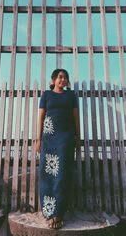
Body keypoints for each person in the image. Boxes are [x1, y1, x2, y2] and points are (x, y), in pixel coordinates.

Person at [36, 69, 80, 229]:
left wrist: (78, 137)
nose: (63, 80)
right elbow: (41, 116)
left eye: (65, 78)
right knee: (47, 174)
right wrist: (38, 139)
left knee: (62, 174)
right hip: (49, 139)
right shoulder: (46, 95)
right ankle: (48, 211)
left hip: (66, 139)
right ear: (53, 79)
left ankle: (59, 214)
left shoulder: (71, 96)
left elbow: (76, 116)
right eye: (60, 77)